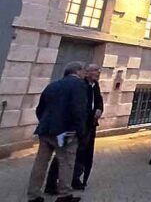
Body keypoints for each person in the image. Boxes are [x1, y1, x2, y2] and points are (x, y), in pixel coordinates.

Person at [26, 61, 88, 202]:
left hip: (46, 130)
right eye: (83, 70)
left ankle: (33, 195)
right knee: (66, 161)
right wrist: (80, 131)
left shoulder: (52, 85)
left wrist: (45, 123)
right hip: (65, 132)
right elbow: (79, 110)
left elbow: (40, 109)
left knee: (41, 162)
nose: (84, 73)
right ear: (77, 71)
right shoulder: (78, 85)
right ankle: (64, 194)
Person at [45, 64, 103, 193]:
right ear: (86, 72)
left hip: (89, 126)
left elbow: (99, 100)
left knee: (82, 154)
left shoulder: (95, 85)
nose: (98, 72)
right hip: (73, 126)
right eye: (95, 70)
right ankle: (52, 183)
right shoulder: (79, 85)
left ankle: (75, 178)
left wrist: (99, 109)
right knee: (62, 155)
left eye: (99, 70)